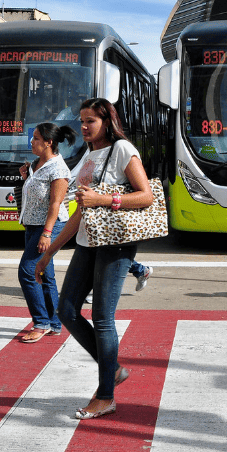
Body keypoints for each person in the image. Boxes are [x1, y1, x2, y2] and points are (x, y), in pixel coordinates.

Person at [35, 97, 155, 420]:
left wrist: (104, 197)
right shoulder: (89, 155)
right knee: (66, 309)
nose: (84, 127)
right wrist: (50, 254)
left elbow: (147, 195)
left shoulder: (123, 151)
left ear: (107, 121)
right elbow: (79, 214)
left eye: (91, 121)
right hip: (89, 241)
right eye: (82, 121)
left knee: (103, 317)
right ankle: (112, 368)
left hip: (116, 244)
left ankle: (105, 396)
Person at [17, 123, 77, 344]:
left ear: (48, 142)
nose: (31, 142)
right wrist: (26, 176)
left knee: (28, 271)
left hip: (47, 226)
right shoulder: (37, 163)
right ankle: (53, 322)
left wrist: (47, 234)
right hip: (33, 225)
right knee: (45, 275)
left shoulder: (58, 169)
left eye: (35, 138)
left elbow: (55, 204)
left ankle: (40, 322)